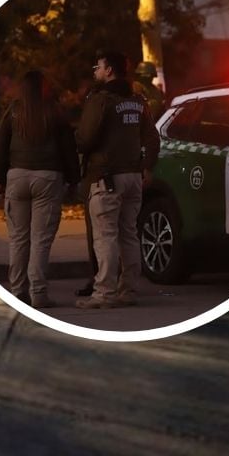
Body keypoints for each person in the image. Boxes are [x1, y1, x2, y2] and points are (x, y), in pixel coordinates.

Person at [75, 50, 160, 309]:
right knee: (129, 235)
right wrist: (147, 167)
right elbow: (152, 138)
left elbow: (85, 138)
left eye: (98, 67)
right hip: (133, 177)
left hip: (106, 177)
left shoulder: (101, 100)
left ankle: (104, 294)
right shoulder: (138, 100)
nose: (96, 71)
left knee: (105, 237)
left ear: (109, 70)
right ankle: (128, 290)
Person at [0, 70, 79, 309]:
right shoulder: (55, 111)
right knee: (41, 239)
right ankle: (38, 293)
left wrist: (0, 178)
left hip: (17, 176)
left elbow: (1, 146)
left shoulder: (13, 111)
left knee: (18, 239)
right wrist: (73, 179)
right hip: (48, 177)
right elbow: (68, 148)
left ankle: (17, 291)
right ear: (44, 87)